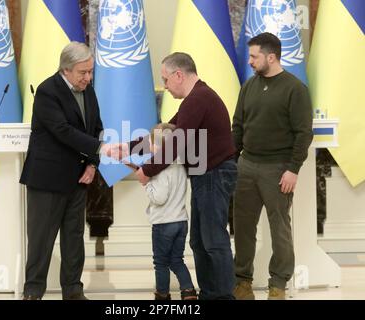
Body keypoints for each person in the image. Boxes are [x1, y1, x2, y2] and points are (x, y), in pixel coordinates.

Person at [119, 52, 238, 300]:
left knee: (213, 241)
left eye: (165, 79)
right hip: (205, 176)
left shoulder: (198, 99)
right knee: (199, 241)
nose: (165, 86)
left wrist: (146, 171)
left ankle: (223, 296)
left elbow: (175, 144)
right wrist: (126, 147)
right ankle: (209, 294)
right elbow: (163, 135)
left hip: (214, 176)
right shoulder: (194, 100)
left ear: (179, 75)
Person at [20, 42, 104, 300]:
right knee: (41, 241)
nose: (88, 78)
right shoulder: (48, 91)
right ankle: (33, 292)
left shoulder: (88, 90)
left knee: (74, 238)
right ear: (66, 70)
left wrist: (92, 163)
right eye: (83, 72)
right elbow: (62, 131)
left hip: (78, 178)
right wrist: (101, 148)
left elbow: (96, 126)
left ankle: (73, 291)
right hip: (47, 180)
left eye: (90, 72)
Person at [232, 32, 313, 300]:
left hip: (278, 169)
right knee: (243, 227)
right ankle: (242, 281)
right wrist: (232, 162)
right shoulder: (249, 87)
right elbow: (238, 127)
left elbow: (303, 133)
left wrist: (293, 168)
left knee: (280, 229)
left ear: (271, 56)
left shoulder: (295, 89)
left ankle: (278, 285)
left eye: (254, 57)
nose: (251, 61)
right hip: (246, 166)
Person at [143, 123, 197, 301]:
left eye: (152, 144)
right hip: (181, 221)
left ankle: (162, 295)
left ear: (158, 147)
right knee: (176, 259)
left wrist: (147, 184)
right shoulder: (181, 166)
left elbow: (159, 198)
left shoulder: (159, 170)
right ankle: (188, 292)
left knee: (160, 263)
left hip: (163, 223)